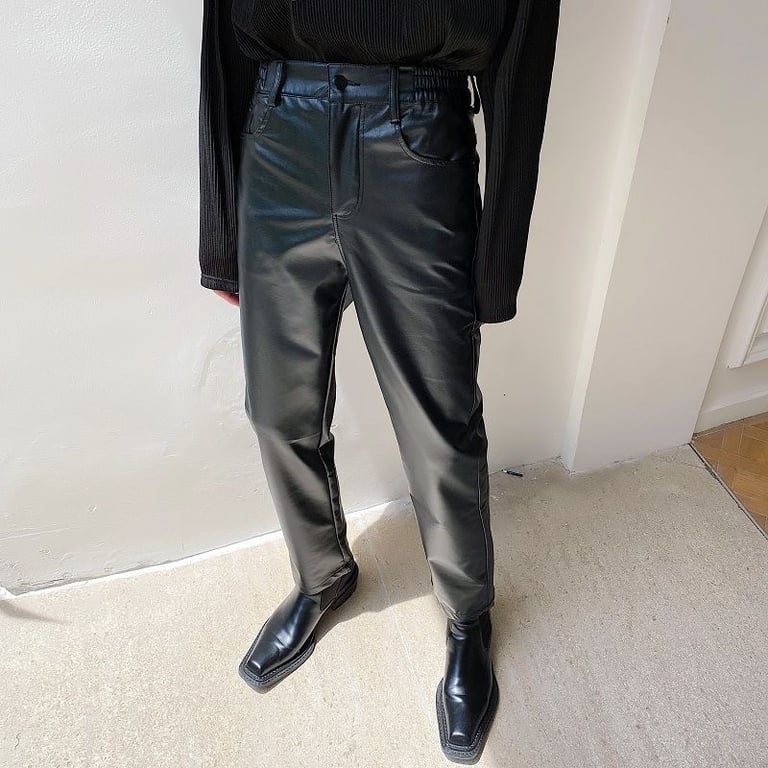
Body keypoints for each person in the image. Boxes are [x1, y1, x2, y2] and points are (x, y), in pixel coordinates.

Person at [199, 1, 560, 762]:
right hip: (278, 131)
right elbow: (222, 31)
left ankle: (467, 618)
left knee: (439, 423)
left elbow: (525, 52)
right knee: (277, 408)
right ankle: (321, 575)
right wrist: (222, 236)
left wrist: (498, 260)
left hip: (417, 142)